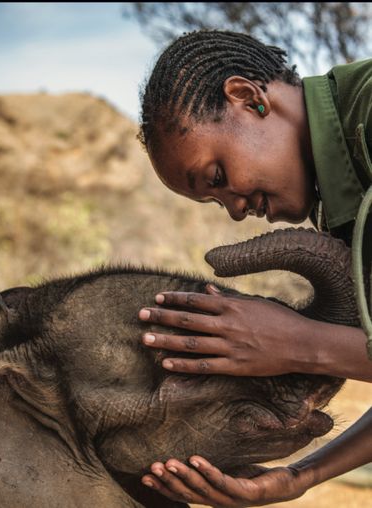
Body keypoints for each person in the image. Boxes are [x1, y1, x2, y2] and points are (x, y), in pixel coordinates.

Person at [136, 29, 372, 506]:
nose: (236, 210)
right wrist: (298, 478)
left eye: (218, 178)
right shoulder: (341, 199)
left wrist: (300, 345)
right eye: (215, 201)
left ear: (247, 97)